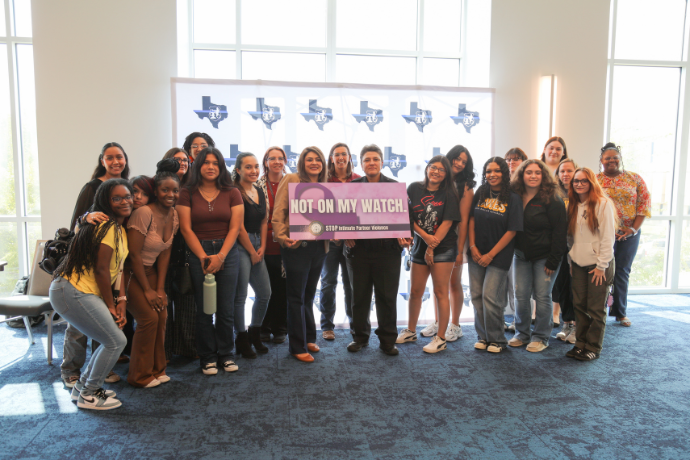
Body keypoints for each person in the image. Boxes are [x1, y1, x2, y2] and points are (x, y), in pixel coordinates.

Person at [49, 179, 132, 410]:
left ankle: (83, 387)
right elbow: (102, 269)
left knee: (110, 340)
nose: (125, 201)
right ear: (106, 201)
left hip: (76, 291)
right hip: (72, 291)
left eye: (128, 196)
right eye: (117, 198)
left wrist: (121, 301)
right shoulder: (107, 226)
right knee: (116, 341)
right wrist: (111, 305)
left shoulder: (119, 229)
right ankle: (89, 393)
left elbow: (119, 269)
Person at [62, 142, 130, 388]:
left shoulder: (125, 187)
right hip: (86, 269)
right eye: (110, 158)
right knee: (79, 326)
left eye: (119, 157)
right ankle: (71, 370)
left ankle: (96, 370)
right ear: (102, 160)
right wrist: (86, 217)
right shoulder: (92, 187)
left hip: (113, 261)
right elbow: (76, 224)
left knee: (102, 322)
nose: (115, 162)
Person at [177, 147, 243, 375]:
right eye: (206, 162)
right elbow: (185, 229)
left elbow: (235, 228)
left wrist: (221, 256)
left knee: (225, 308)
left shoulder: (232, 192)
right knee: (204, 310)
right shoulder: (186, 192)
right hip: (199, 252)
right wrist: (205, 257)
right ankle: (207, 357)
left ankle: (226, 354)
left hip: (228, 251)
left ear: (222, 166)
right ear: (198, 165)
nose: (211, 166)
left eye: (216, 163)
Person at [345, 145, 408, 356]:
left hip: (387, 252)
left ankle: (388, 341)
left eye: (375, 159)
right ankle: (360, 338)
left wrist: (405, 234)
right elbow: (341, 217)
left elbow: (405, 218)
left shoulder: (395, 187)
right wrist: (345, 233)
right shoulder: (351, 187)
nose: (371, 163)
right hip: (358, 251)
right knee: (359, 297)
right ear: (361, 164)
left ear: (382, 162)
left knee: (387, 297)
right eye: (367, 160)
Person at [397, 155, 461, 354]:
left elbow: (448, 222)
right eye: (433, 167)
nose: (436, 172)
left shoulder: (450, 193)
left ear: (446, 174)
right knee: (416, 291)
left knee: (441, 292)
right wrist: (425, 238)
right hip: (420, 246)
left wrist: (432, 247)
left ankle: (440, 338)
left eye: (442, 170)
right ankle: (411, 330)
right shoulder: (414, 189)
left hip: (443, 248)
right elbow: (408, 217)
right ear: (427, 169)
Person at [124, 160, 180, 387]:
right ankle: (139, 376)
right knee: (148, 319)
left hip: (152, 271)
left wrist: (159, 289)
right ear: (155, 191)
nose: (170, 194)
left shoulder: (174, 215)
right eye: (165, 190)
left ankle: (158, 369)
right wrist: (147, 290)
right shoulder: (143, 213)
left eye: (175, 190)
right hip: (129, 273)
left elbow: (165, 253)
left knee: (162, 315)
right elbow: (133, 255)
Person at [272, 146, 329, 363]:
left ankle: (309, 338)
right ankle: (296, 346)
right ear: (302, 163)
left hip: (319, 248)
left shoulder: (325, 185)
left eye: (318, 159)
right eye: (309, 159)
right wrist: (282, 236)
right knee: (296, 297)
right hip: (296, 247)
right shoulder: (292, 179)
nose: (314, 163)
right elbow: (278, 213)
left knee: (308, 296)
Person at [507, 160, 567, 352]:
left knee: (542, 296)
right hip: (521, 256)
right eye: (529, 172)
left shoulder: (553, 198)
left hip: (546, 257)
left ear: (544, 176)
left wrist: (554, 259)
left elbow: (560, 232)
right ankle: (522, 334)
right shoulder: (515, 196)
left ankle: (541, 337)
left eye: (537, 173)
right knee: (521, 296)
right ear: (521, 175)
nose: (533, 176)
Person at [420, 146, 475, 342]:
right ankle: (438, 321)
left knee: (453, 283)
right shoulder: (438, 180)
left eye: (464, 162)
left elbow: (464, 220)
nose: (460, 163)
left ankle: (456, 325)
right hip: (435, 238)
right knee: (438, 284)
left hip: (455, 239)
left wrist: (460, 251)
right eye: (457, 159)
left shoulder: (466, 186)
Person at [468, 157, 523, 353]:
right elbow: (471, 220)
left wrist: (490, 254)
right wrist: (473, 247)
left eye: (496, 171)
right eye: (488, 171)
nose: (492, 175)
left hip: (498, 256)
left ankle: (497, 340)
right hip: (476, 253)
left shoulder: (513, 198)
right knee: (476, 296)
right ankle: (483, 336)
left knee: (491, 297)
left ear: (504, 173)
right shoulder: (481, 192)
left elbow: (512, 231)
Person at [596, 143, 651, 328]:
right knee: (601, 270)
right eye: (607, 158)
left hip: (629, 233)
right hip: (602, 234)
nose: (611, 160)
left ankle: (620, 312)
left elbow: (644, 204)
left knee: (622, 271)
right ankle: (599, 311)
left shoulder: (634, 179)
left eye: (614, 157)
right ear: (601, 161)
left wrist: (633, 229)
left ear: (620, 159)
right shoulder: (595, 180)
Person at [566, 167, 617, 361]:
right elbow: (572, 238)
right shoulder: (573, 205)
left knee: (596, 308)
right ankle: (580, 344)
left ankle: (593, 347)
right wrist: (572, 260)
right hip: (579, 264)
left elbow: (607, 238)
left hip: (599, 266)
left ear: (591, 182)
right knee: (579, 305)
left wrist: (601, 265)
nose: (579, 184)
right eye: (576, 181)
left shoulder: (603, 204)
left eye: (583, 181)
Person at [319, 143, 360, 340]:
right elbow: (319, 210)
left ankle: (355, 324)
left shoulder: (360, 180)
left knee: (351, 284)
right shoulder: (323, 180)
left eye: (344, 154)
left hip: (352, 242)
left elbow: (364, 212)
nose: (341, 157)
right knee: (328, 282)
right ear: (331, 158)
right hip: (330, 241)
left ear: (350, 157)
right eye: (337, 155)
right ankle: (327, 325)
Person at [233, 152, 271, 358]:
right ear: (238, 169)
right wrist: (251, 251)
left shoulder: (259, 190)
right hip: (240, 246)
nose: (254, 171)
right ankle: (241, 338)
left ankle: (254, 333)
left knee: (265, 293)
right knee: (239, 298)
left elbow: (264, 221)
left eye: (256, 166)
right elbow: (238, 227)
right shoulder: (234, 192)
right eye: (248, 167)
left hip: (258, 245)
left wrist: (262, 246)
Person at [161, 148, 197, 359]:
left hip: (187, 255)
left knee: (187, 307)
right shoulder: (156, 186)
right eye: (176, 160)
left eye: (185, 160)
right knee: (162, 308)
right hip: (162, 255)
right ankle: (163, 351)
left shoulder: (194, 188)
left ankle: (187, 350)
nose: (182, 163)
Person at [258, 147, 289, 344]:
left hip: (287, 244)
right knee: (265, 289)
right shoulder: (256, 185)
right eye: (272, 158)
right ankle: (263, 326)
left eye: (280, 158)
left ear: (285, 161)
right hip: (263, 244)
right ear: (266, 162)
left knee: (282, 289)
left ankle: (281, 328)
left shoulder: (294, 183)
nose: (277, 161)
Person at [502, 147, 527, 331]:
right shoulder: (501, 183)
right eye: (509, 159)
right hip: (501, 239)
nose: (512, 162)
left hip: (521, 240)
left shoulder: (527, 183)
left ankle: (518, 322)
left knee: (517, 286)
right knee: (502, 284)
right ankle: (501, 319)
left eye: (516, 159)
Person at [554, 159, 578, 343]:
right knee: (561, 285)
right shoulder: (554, 193)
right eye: (562, 171)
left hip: (578, 246)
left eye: (569, 170)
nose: (565, 174)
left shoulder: (581, 191)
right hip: (559, 246)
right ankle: (566, 323)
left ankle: (577, 326)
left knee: (575, 287)